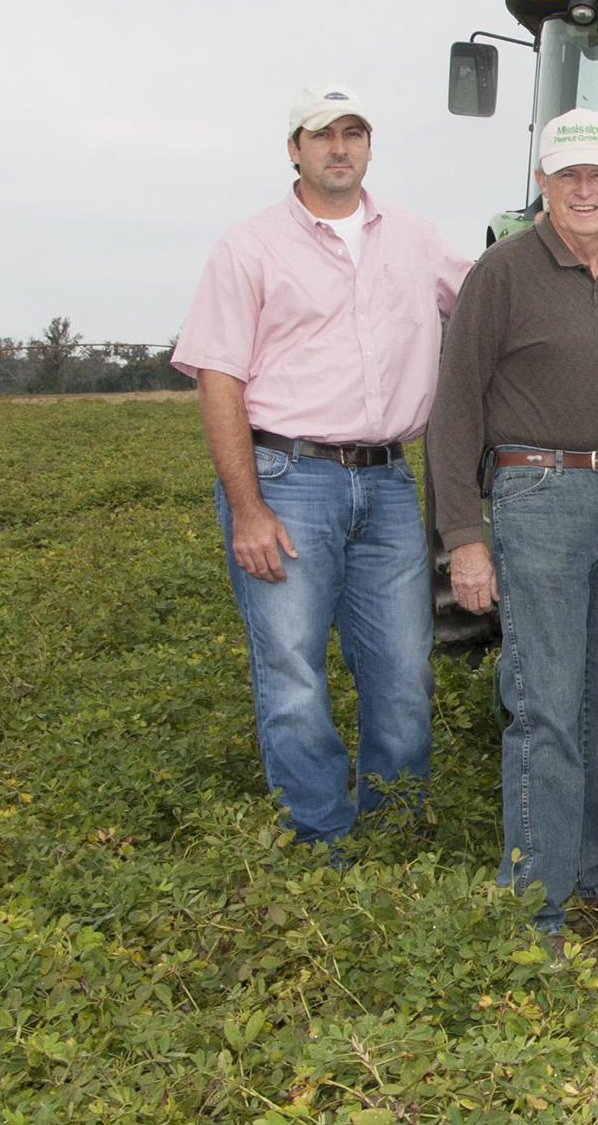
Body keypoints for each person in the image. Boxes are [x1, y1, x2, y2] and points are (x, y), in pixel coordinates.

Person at [174, 85, 473, 846]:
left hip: (388, 480)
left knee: (404, 672)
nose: (339, 148)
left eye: (354, 133)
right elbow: (219, 380)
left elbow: (485, 302)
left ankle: (396, 831)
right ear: (294, 149)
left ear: (369, 147)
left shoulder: (413, 237)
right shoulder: (248, 247)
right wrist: (247, 509)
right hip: (287, 479)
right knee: (294, 674)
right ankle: (322, 843)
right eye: (322, 135)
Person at [426, 107, 598, 935]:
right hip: (538, 498)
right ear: (542, 181)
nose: (584, 190)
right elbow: (455, 411)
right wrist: (465, 539)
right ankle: (536, 908)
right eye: (567, 175)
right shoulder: (500, 274)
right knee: (545, 704)